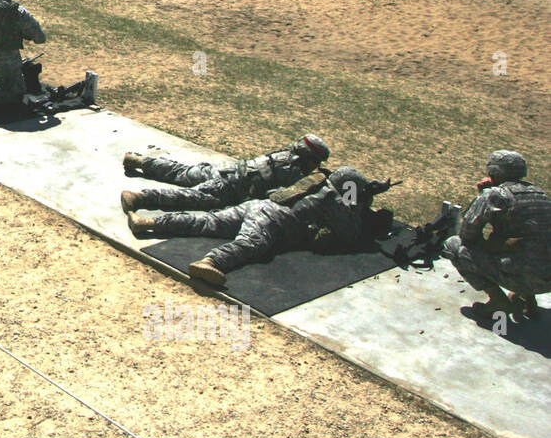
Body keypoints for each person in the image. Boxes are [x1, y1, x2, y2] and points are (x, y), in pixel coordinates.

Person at [130, 167, 385, 287]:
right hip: (273, 222)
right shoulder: (336, 201)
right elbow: (350, 233)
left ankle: (149, 222)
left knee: (208, 221)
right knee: (250, 245)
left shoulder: (316, 181)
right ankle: (211, 263)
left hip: (257, 206)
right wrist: (362, 204)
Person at [444, 151, 551, 315]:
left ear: (493, 172)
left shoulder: (494, 195)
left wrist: (482, 196)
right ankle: (527, 299)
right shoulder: (541, 195)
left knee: (454, 245)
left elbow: (467, 235)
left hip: (522, 276)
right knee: (528, 246)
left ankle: (498, 302)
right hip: (547, 282)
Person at [121, 134, 330, 213]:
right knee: (190, 198)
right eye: (316, 161)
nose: (316, 166)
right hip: (228, 188)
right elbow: (279, 197)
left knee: (181, 171)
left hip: (227, 170)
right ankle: (139, 197)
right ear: (308, 157)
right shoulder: (294, 172)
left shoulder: (282, 155)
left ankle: (139, 161)